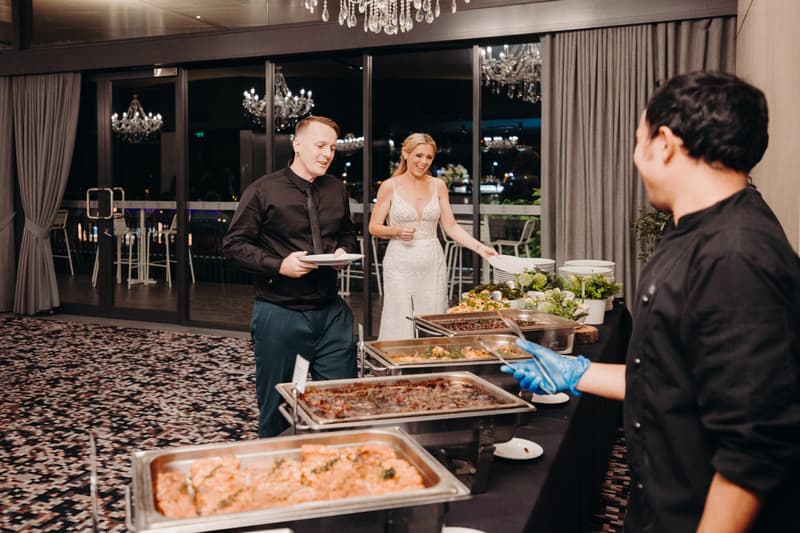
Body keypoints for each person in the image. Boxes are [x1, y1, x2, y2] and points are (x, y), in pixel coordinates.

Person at [502, 71, 800, 532]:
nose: (636, 156)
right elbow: (673, 376)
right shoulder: (696, 231)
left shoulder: (735, 254)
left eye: (638, 139)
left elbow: (754, 446)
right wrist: (580, 372)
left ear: (663, 143)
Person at [223, 115, 358, 438]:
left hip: (331, 313)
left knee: (341, 400)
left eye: (333, 148)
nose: (327, 154)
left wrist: (343, 252)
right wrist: (279, 264)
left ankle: (336, 469)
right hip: (280, 313)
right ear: (297, 145)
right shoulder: (262, 190)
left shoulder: (336, 188)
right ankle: (278, 470)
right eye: (320, 145)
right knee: (280, 404)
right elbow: (234, 245)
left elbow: (347, 234)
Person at [369, 133, 496, 340]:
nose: (423, 162)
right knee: (399, 315)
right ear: (405, 154)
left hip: (432, 260)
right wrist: (396, 231)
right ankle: (399, 364)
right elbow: (373, 227)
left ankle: (431, 361)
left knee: (432, 313)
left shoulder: (438, 185)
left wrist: (480, 248)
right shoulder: (390, 186)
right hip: (400, 261)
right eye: (418, 155)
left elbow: (451, 226)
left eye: (428, 157)